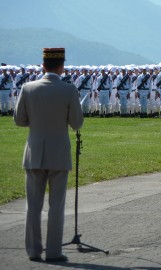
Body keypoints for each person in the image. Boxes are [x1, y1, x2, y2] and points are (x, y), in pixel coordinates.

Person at [14, 48, 84, 262]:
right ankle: (54, 252)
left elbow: (19, 120)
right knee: (57, 206)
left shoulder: (28, 88)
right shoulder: (68, 89)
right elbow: (77, 123)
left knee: (33, 206)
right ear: (62, 66)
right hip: (59, 153)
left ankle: (34, 251)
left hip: (34, 151)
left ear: (42, 65)